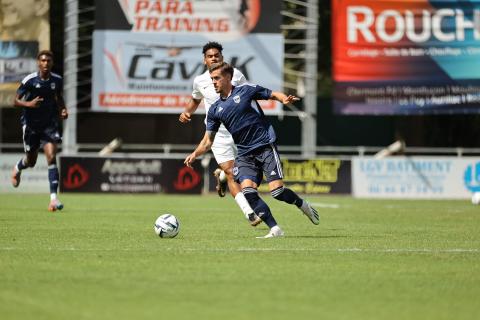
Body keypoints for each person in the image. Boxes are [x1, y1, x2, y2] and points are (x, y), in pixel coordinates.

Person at [184, 62, 319, 238]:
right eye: (211, 79)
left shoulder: (246, 90)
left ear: (228, 78)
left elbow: (271, 94)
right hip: (245, 154)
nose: (214, 82)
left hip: (265, 146)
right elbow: (208, 141)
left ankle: (302, 205)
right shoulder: (215, 109)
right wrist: (194, 154)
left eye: (217, 78)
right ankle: (275, 229)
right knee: (248, 192)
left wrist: (283, 98)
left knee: (277, 192)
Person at [179, 41, 261, 227]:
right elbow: (195, 99)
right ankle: (249, 213)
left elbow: (248, 94)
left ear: (222, 58)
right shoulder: (199, 81)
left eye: (217, 55)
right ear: (204, 60)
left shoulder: (235, 75)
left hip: (241, 131)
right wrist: (187, 113)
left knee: (251, 176)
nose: (214, 58)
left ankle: (222, 177)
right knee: (232, 172)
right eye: (210, 56)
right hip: (218, 134)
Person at [10, 50, 68, 211]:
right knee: (31, 161)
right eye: (42, 60)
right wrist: (29, 105)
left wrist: (63, 109)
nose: (45, 63)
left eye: (48, 61)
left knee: (51, 156)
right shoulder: (29, 80)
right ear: (38, 62)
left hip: (49, 124)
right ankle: (18, 167)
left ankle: (53, 200)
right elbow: (14, 101)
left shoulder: (57, 80)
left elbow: (59, 97)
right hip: (30, 125)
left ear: (52, 63)